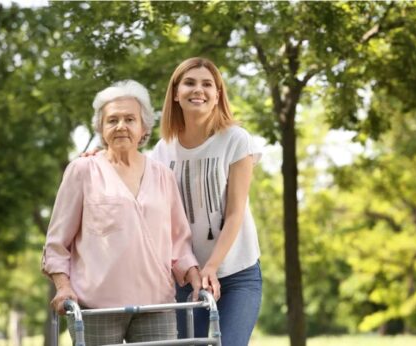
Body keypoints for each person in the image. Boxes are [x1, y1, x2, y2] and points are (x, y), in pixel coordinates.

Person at [41, 80, 209, 345]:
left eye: (130, 119)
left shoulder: (162, 175)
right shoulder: (83, 171)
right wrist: (63, 287)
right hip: (96, 308)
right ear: (101, 128)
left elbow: (179, 242)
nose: (121, 126)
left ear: (143, 128)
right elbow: (57, 243)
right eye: (112, 120)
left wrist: (193, 274)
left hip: (157, 305)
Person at [151, 57, 262, 346]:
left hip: (237, 273)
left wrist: (212, 266)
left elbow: (235, 213)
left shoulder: (236, 140)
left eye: (207, 84)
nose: (197, 89)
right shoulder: (163, 150)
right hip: (186, 278)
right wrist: (100, 158)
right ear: (175, 93)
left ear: (217, 96)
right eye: (189, 82)